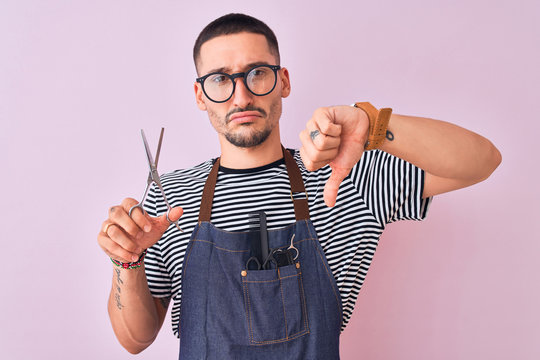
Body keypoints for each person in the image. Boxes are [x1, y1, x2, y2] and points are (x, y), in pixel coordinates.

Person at [97, 13, 501, 359]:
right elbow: (135, 339)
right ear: (200, 95)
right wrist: (127, 261)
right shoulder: (171, 196)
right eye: (221, 79)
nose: (241, 95)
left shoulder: (348, 174)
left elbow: (483, 161)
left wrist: (374, 125)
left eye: (257, 73)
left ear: (283, 81)